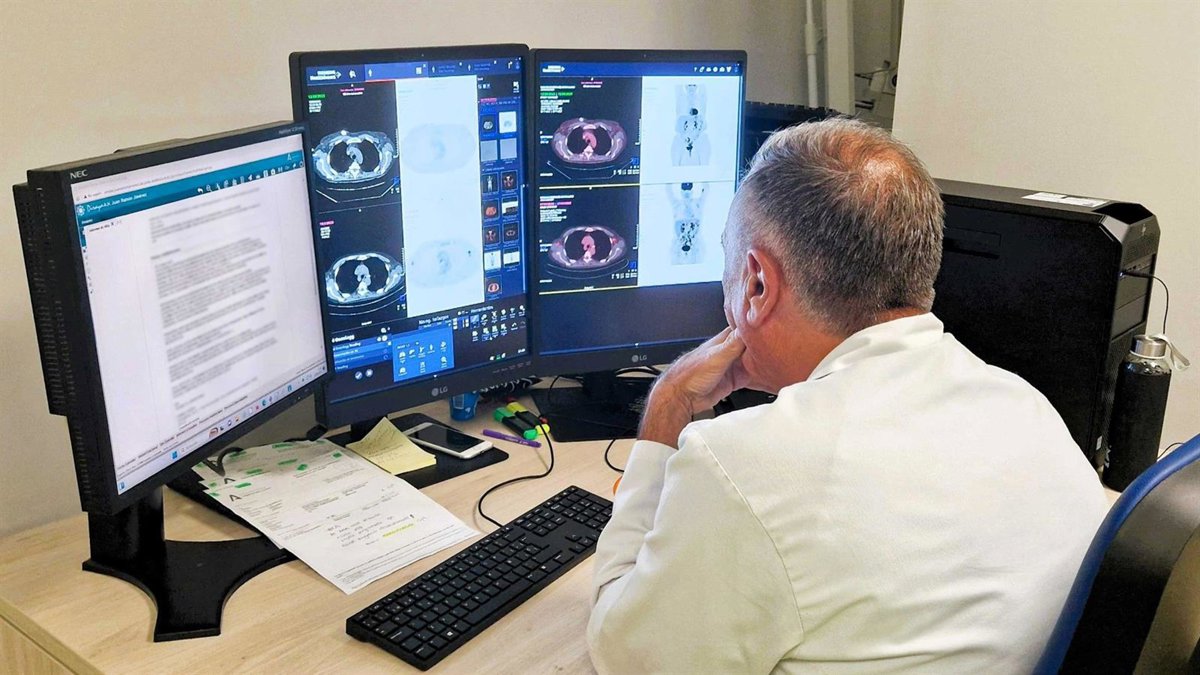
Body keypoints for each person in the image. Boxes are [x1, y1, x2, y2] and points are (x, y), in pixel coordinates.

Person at [586, 118, 1110, 674]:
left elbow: (626, 654)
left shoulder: (743, 466)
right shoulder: (1025, 406)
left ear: (757, 284)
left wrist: (668, 402)